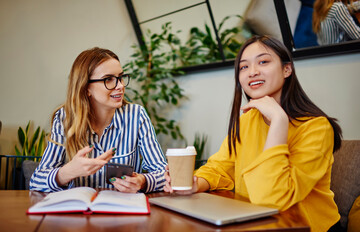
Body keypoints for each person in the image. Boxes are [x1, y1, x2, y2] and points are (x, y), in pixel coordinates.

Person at [164, 35, 342, 231]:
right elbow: (220, 167)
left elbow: (274, 199)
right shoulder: (247, 120)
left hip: (305, 226)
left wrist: (278, 121)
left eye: (263, 62)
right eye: (244, 67)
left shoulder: (316, 127)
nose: (252, 72)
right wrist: (197, 183)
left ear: (287, 69)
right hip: (256, 222)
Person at [30, 47, 167, 193]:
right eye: (108, 79)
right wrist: (67, 172)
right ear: (86, 87)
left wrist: (143, 181)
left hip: (122, 211)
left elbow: (164, 175)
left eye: (120, 77)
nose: (120, 86)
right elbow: (36, 181)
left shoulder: (136, 115)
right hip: (80, 212)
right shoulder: (65, 118)